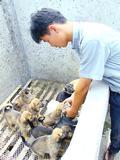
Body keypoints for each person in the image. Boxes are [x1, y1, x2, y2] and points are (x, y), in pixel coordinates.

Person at [30, 8, 120, 160]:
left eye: (47, 40)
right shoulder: (83, 34)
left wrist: (72, 112)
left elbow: (84, 85)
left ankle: (113, 150)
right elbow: (91, 74)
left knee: (118, 126)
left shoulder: (90, 40)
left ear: (53, 29)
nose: (51, 45)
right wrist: (73, 97)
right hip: (113, 81)